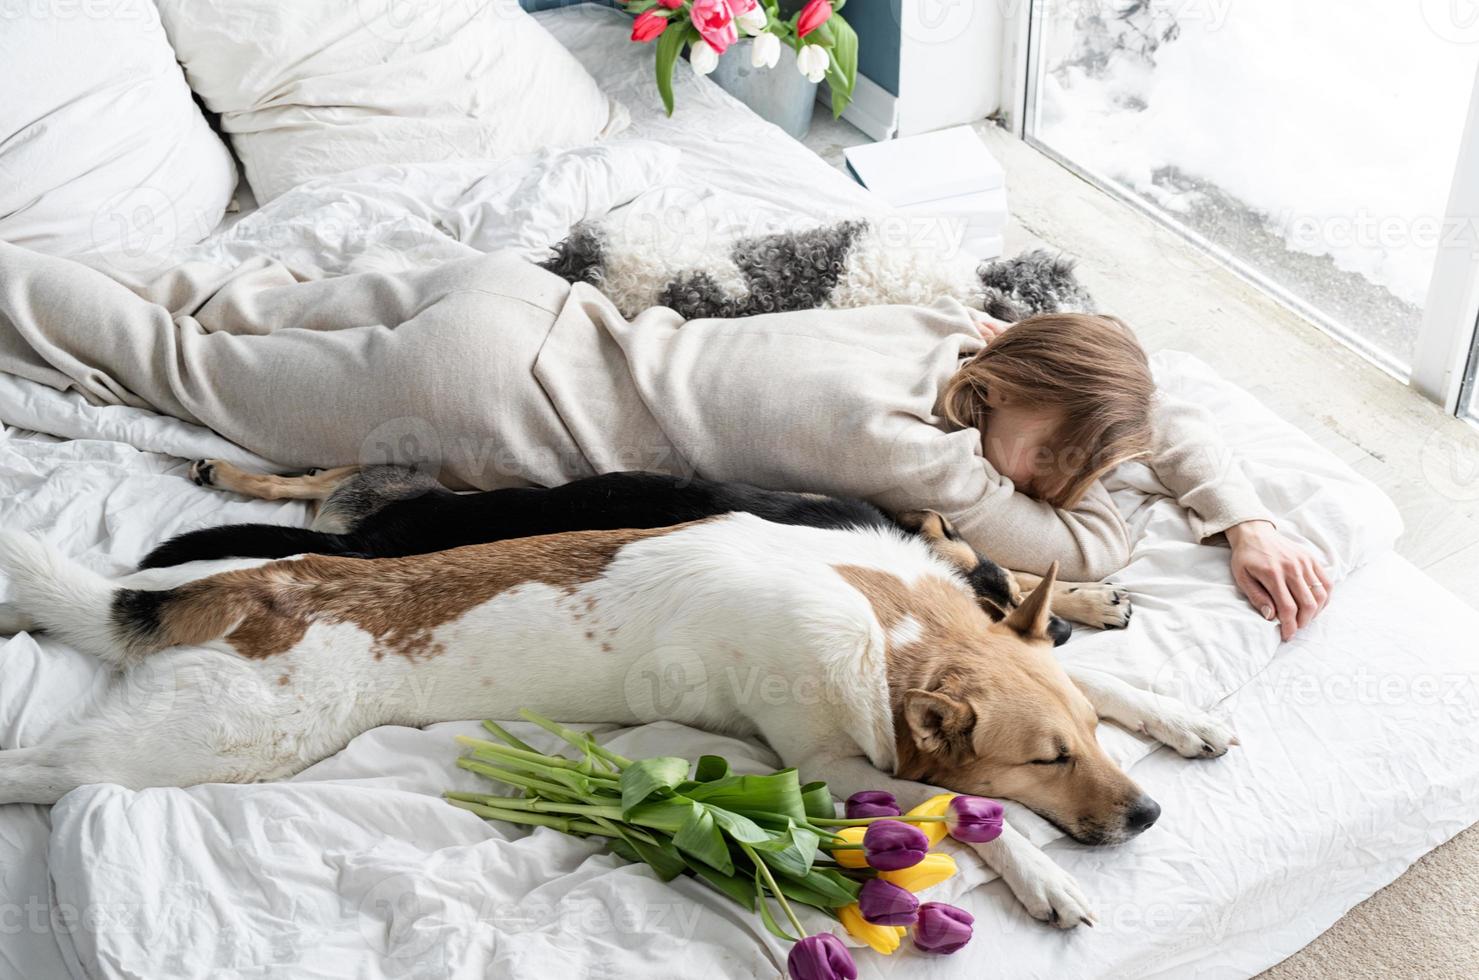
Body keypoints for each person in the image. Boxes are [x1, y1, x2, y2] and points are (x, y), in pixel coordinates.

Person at [0, 244, 1328, 638]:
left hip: (520, 302)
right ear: (1022, 398)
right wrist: (1194, 505)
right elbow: (1086, 539)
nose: (1055, 481)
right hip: (476, 400)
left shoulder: (947, 333)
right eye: (1057, 452)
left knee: (210, 314)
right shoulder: (917, 456)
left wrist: (1243, 509)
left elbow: (1152, 403)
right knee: (164, 363)